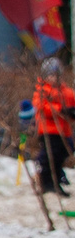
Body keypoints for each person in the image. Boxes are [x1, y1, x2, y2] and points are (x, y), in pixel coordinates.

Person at [34, 57, 72, 199]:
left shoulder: (65, 91)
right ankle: (46, 181)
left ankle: (56, 179)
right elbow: (43, 107)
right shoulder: (43, 90)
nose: (54, 78)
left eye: (56, 75)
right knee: (50, 155)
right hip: (48, 130)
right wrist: (61, 110)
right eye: (50, 75)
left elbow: (71, 103)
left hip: (63, 131)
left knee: (65, 151)